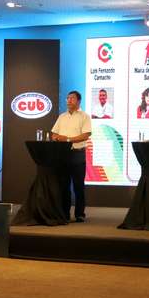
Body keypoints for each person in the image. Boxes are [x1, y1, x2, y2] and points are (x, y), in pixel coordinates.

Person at [51, 91, 92, 222]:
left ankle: (80, 214)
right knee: (64, 185)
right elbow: (54, 133)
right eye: (67, 98)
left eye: (72, 98)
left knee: (78, 186)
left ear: (78, 101)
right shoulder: (62, 117)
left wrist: (67, 139)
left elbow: (86, 135)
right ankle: (65, 213)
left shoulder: (84, 116)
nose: (68, 100)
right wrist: (56, 138)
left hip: (78, 153)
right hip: (63, 154)